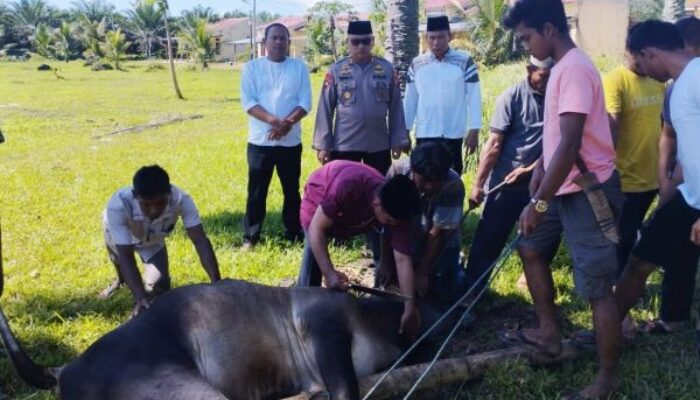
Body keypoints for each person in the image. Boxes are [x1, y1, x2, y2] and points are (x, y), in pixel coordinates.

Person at [502, 1, 623, 398]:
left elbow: (571, 143)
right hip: (560, 185)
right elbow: (559, 136)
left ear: (549, 29)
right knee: (530, 246)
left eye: (526, 37)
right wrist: (540, 167)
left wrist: (538, 203)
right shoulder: (559, 68)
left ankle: (606, 379)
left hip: (587, 190)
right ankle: (549, 332)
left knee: (596, 287)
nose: (525, 46)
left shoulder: (573, 70)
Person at [615, 20, 700, 355]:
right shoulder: (677, 87)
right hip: (690, 197)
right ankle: (606, 330)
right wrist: (673, 181)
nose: (644, 70)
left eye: (641, 61)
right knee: (640, 259)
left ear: (649, 53)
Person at [297, 160, 422, 337]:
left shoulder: (397, 209)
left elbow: (403, 259)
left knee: (383, 234)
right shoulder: (348, 185)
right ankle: (300, 317)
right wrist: (329, 273)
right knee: (313, 264)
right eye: (390, 221)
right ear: (378, 204)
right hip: (318, 201)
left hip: (356, 217)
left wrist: (409, 307)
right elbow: (316, 229)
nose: (394, 225)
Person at [465, 56, 554, 298]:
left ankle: (534, 289)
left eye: (553, 76)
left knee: (543, 237)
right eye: (544, 76)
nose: (548, 81)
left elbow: (561, 145)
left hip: (543, 189)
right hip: (506, 185)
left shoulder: (558, 99)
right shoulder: (511, 97)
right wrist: (478, 185)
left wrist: (531, 169)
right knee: (488, 240)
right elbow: (493, 145)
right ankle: (471, 294)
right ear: (529, 70)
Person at [638, 16, 700, 335]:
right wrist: (667, 178)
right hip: (687, 188)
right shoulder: (674, 89)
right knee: (672, 251)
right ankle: (673, 315)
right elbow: (672, 136)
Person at [602, 39, 665, 337]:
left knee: (641, 234)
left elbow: (664, 125)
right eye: (637, 55)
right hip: (625, 177)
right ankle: (618, 295)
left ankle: (631, 285)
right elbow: (611, 126)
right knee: (622, 237)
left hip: (654, 176)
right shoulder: (615, 80)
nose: (642, 62)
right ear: (627, 52)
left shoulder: (658, 80)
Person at [99, 165, 221, 316]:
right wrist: (140, 298)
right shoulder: (118, 206)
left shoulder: (181, 200)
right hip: (121, 235)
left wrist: (217, 284)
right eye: (146, 204)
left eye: (160, 203)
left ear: (169, 193)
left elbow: (200, 240)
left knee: (159, 284)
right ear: (135, 196)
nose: (154, 210)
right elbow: (126, 255)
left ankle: (133, 282)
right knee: (118, 259)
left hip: (152, 242)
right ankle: (120, 279)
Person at [240, 23, 312, 249]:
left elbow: (305, 102)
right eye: (274, 38)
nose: (279, 42)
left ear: (289, 42)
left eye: (283, 38)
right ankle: (251, 237)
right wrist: (275, 122)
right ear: (265, 42)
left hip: (290, 142)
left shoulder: (299, 67)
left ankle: (293, 232)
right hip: (260, 141)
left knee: (291, 190)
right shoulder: (252, 68)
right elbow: (249, 103)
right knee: (256, 192)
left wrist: (287, 124)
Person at [313, 20, 408, 175]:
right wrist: (323, 145)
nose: (361, 46)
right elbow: (325, 108)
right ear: (347, 42)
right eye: (355, 42)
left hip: (378, 144)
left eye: (366, 41)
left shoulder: (387, 69)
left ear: (373, 41)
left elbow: (396, 107)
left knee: (379, 186)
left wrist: (397, 140)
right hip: (345, 145)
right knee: (345, 187)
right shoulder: (336, 70)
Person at [380, 142, 467, 310]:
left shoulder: (453, 185)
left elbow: (438, 232)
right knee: (389, 286)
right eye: (424, 180)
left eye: (435, 182)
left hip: (440, 243)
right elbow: (388, 220)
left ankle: (458, 276)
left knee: (443, 293)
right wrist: (385, 260)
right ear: (413, 170)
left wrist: (421, 272)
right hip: (404, 238)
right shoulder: (397, 172)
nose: (429, 186)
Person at [403, 15, 482, 175]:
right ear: (426, 38)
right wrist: (405, 131)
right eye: (432, 38)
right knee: (424, 177)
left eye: (440, 37)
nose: (436, 42)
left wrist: (474, 130)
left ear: (449, 37)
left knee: (451, 178)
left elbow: (474, 97)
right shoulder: (417, 64)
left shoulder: (464, 62)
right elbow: (410, 100)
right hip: (425, 132)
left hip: (453, 133)